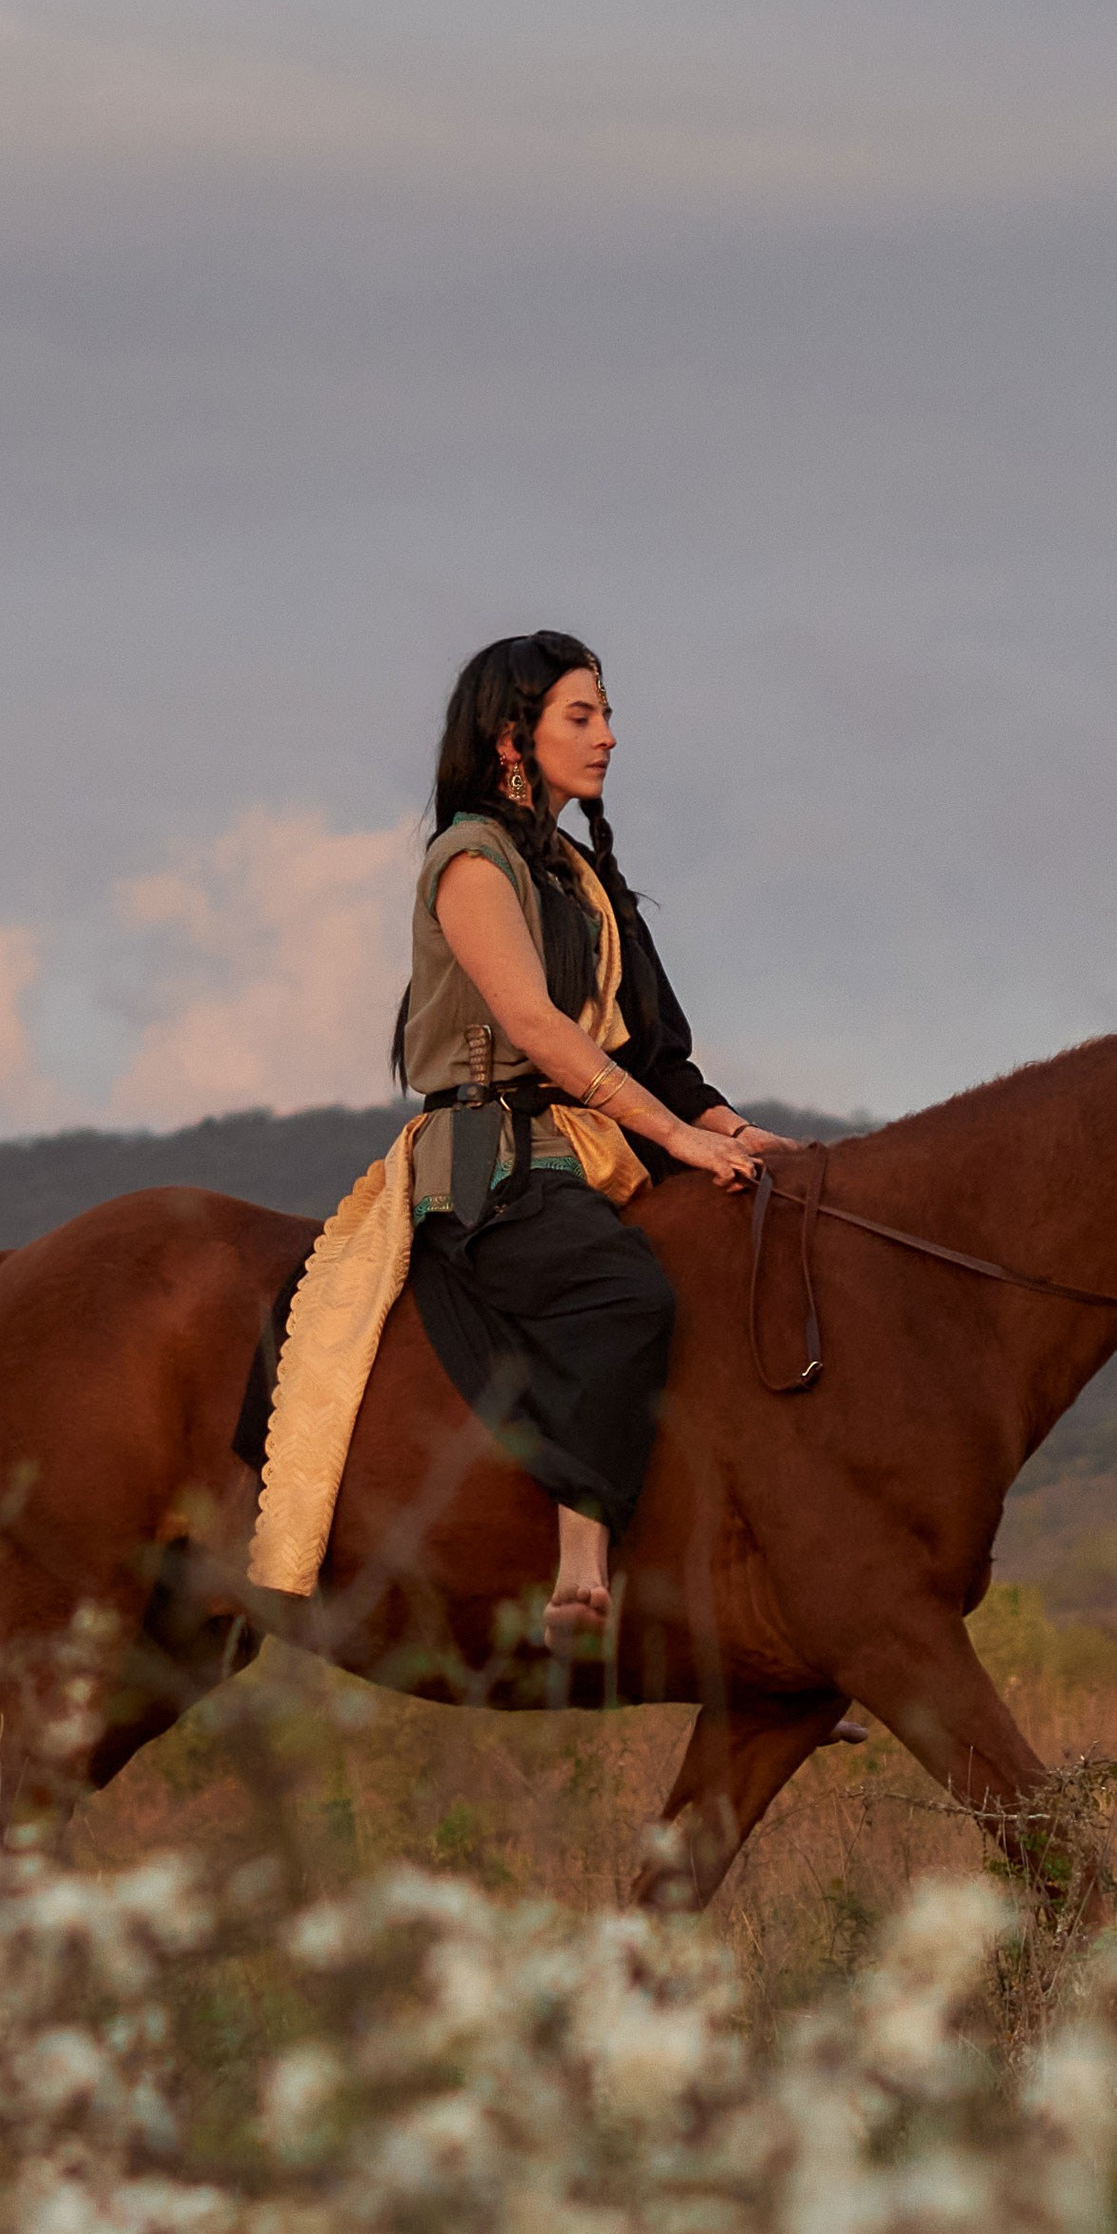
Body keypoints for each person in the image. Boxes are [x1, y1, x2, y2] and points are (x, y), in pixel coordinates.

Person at [394, 632, 797, 1650]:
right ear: (511, 739)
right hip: (497, 1165)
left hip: (609, 1148)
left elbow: (655, 1055)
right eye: (583, 716)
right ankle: (580, 1562)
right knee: (623, 1295)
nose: (609, 738)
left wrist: (740, 1135)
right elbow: (534, 1026)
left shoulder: (582, 876)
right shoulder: (470, 860)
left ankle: (766, 1608)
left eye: (607, 715)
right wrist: (672, 1139)